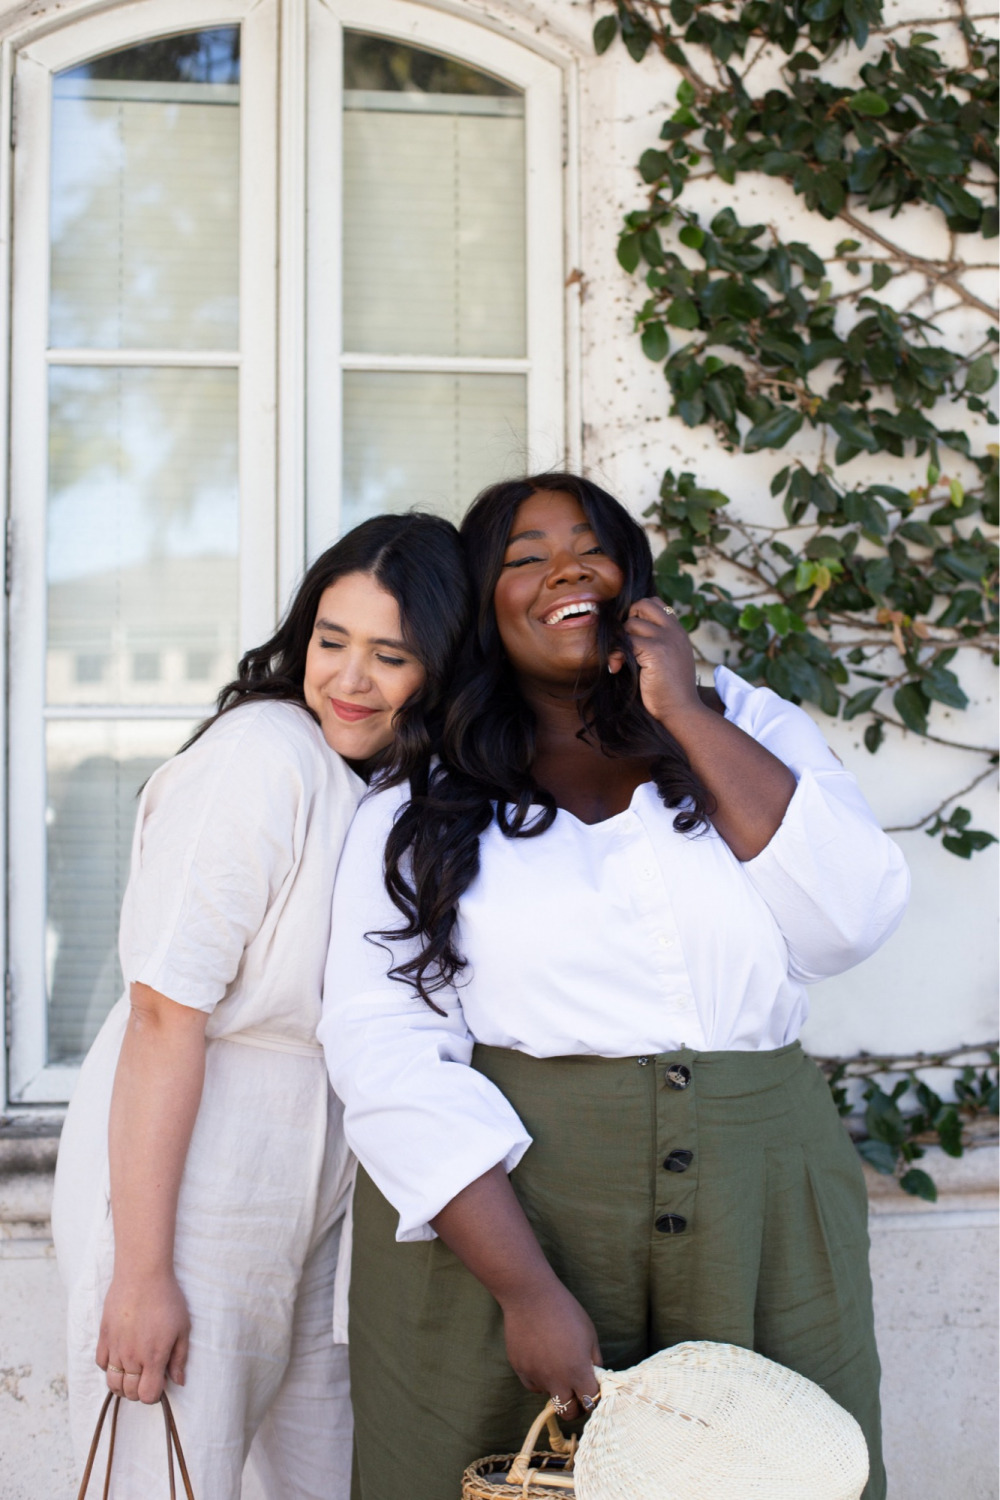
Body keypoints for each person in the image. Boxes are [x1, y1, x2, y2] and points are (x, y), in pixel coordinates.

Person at [320, 473, 910, 1500]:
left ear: (631, 574)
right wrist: (525, 1289)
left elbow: (849, 919)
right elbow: (386, 1051)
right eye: (522, 555)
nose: (564, 568)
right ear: (480, 600)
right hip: (512, 1220)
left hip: (757, 1201)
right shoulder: (422, 801)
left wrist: (682, 707)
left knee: (777, 1469)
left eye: (588, 543)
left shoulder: (752, 728)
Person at [52, 512, 471, 1500]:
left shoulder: (395, 784)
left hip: (325, 1169)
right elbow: (165, 1011)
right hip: (198, 1157)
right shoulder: (263, 753)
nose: (348, 679)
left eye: (390, 655)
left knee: (325, 1474)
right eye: (331, 642)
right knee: (160, 1473)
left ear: (444, 669)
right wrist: (143, 1271)